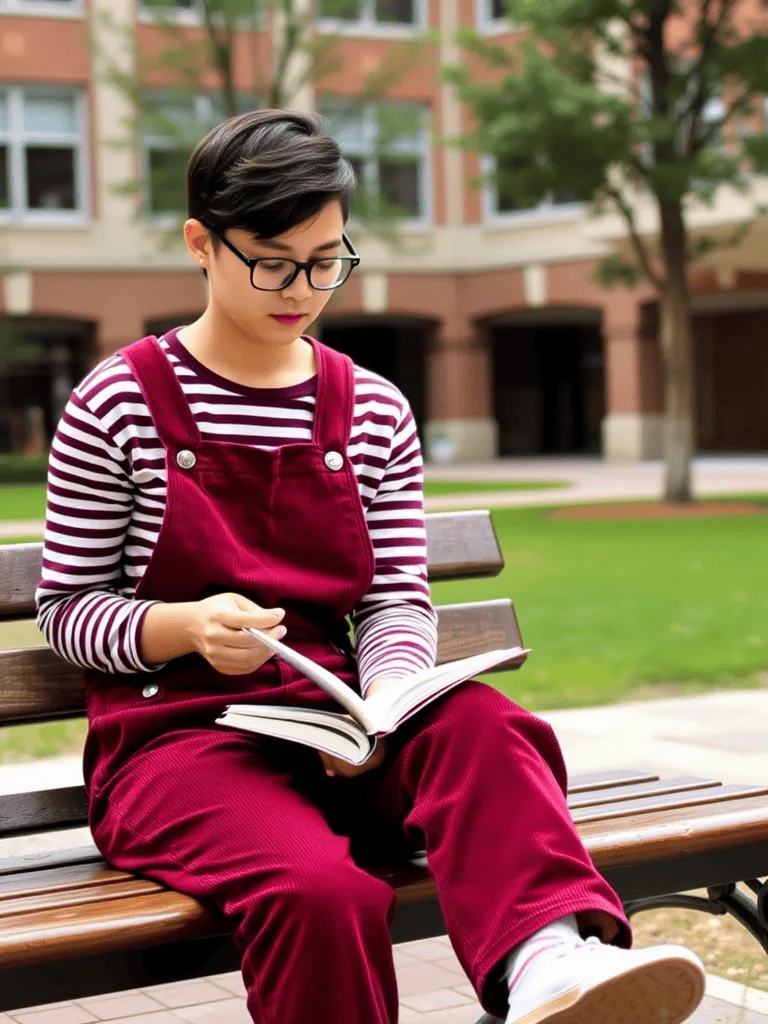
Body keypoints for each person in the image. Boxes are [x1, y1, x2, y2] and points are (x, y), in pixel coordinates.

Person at [36, 109, 706, 1024]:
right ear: (201, 244)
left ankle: (547, 964)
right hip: (178, 746)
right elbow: (66, 609)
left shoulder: (374, 408)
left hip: (337, 733)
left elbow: (394, 598)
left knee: (483, 724)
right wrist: (182, 626)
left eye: (327, 261)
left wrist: (383, 704)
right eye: (274, 263)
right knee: (323, 893)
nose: (303, 290)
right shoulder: (120, 400)